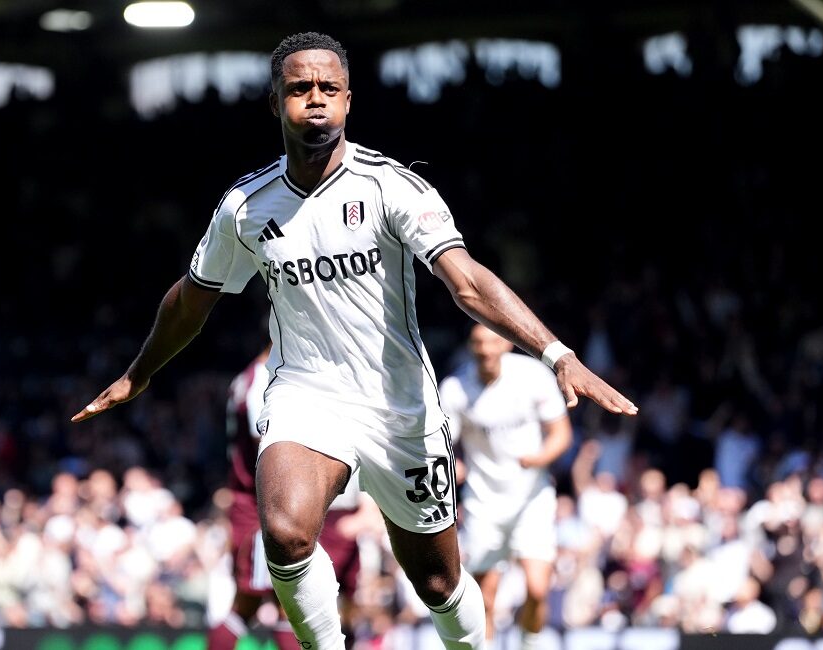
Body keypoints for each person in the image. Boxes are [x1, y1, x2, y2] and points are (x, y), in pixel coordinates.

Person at [72, 31, 637, 650]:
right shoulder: (245, 206)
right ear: (275, 103)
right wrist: (140, 373)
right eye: (299, 88)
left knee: (438, 582)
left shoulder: (391, 186)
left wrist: (557, 354)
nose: (315, 99)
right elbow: (191, 300)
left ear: (348, 101)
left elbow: (468, 284)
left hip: (400, 406)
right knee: (285, 533)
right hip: (304, 393)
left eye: (328, 88)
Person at [209, 344, 363, 650]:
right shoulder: (262, 382)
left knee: (283, 605)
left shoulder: (247, 379)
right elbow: (268, 448)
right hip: (263, 511)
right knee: (285, 605)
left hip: (265, 509)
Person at [440, 324, 573, 649]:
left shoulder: (533, 377)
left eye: (491, 342)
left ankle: (529, 644)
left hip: (532, 499)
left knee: (538, 590)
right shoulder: (455, 388)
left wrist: (539, 458)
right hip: (483, 503)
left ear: (506, 345)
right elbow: (444, 444)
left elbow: (561, 435)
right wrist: (452, 467)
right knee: (484, 598)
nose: (485, 350)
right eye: (478, 343)